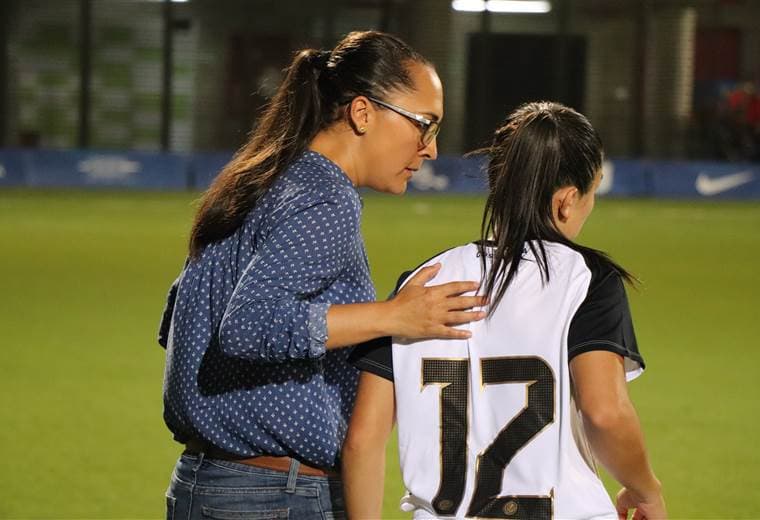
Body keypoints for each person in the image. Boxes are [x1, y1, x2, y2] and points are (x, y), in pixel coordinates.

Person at [157, 31, 487, 519]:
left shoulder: (263, 177)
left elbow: (176, 322)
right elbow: (247, 325)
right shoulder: (326, 199)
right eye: (424, 124)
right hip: (272, 497)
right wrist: (393, 316)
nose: (431, 149)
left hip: (210, 484)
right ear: (362, 113)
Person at [344, 101, 667, 519]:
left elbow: (362, 440)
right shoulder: (585, 279)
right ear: (567, 201)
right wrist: (646, 490)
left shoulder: (422, 284)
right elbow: (604, 412)